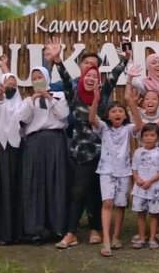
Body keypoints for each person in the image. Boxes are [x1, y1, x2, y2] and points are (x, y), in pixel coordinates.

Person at [47, 38, 129, 248]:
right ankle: (73, 233)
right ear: (82, 77)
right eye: (88, 75)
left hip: (101, 153)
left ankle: (92, 230)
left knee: (94, 191)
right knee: (79, 191)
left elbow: (114, 76)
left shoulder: (102, 98)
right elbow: (65, 79)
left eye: (95, 75)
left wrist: (124, 60)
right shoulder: (73, 96)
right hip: (79, 152)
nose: (92, 78)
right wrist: (57, 60)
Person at [17, 66, 69, 244]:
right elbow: (22, 119)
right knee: (34, 183)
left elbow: (63, 115)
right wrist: (33, 99)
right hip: (34, 142)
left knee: (57, 182)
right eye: (34, 78)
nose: (37, 80)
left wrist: (48, 97)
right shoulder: (27, 100)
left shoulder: (59, 96)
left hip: (55, 140)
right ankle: (35, 229)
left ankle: (58, 228)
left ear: (47, 78)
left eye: (40, 76)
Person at [89, 94, 143, 257]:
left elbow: (139, 125)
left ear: (125, 115)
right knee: (107, 203)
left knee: (120, 205)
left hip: (124, 171)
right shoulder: (104, 128)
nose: (117, 113)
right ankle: (106, 240)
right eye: (113, 111)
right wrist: (96, 99)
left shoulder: (127, 129)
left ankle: (116, 237)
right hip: (106, 170)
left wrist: (132, 105)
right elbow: (92, 118)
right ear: (108, 115)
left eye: (120, 111)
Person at [0, 73, 23, 245]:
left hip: (16, 149)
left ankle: (16, 232)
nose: (11, 87)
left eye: (14, 85)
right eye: (8, 84)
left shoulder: (20, 103)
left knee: (15, 189)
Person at [130, 123, 159, 250]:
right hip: (140, 189)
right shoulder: (138, 152)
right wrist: (138, 179)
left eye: (152, 135)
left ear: (157, 137)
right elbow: (134, 169)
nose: (149, 138)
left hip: (154, 189)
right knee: (140, 214)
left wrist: (150, 181)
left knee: (153, 214)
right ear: (142, 137)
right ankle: (141, 238)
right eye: (146, 135)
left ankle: (152, 238)